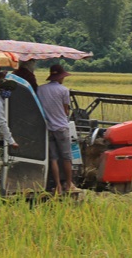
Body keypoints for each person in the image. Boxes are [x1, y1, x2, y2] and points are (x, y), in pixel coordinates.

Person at [37, 64, 80, 195]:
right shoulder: (64, 90)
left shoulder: (41, 89)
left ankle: (57, 186)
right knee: (67, 157)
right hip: (61, 127)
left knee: (53, 158)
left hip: (48, 128)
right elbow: (66, 110)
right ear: (61, 77)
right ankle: (68, 184)